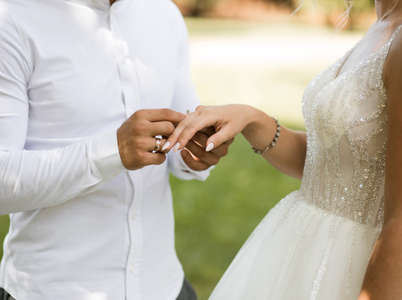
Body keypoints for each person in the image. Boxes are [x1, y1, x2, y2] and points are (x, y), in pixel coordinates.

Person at [0, 0, 232, 299]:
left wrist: (196, 152)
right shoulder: (3, 23)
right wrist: (113, 150)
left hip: (166, 287)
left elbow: (180, 133)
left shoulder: (163, 13)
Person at [164, 0, 402, 299]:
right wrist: (252, 120)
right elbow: (336, 163)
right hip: (303, 250)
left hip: (352, 267)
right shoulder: (383, 24)